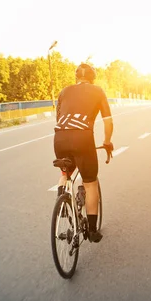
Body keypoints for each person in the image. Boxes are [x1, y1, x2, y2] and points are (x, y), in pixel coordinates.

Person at [53, 63, 113, 243]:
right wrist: (107, 142)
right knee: (90, 182)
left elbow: (59, 118)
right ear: (93, 78)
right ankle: (93, 231)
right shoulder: (98, 91)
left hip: (60, 138)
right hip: (83, 139)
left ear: (76, 78)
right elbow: (108, 122)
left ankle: (62, 200)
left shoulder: (64, 91)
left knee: (66, 172)